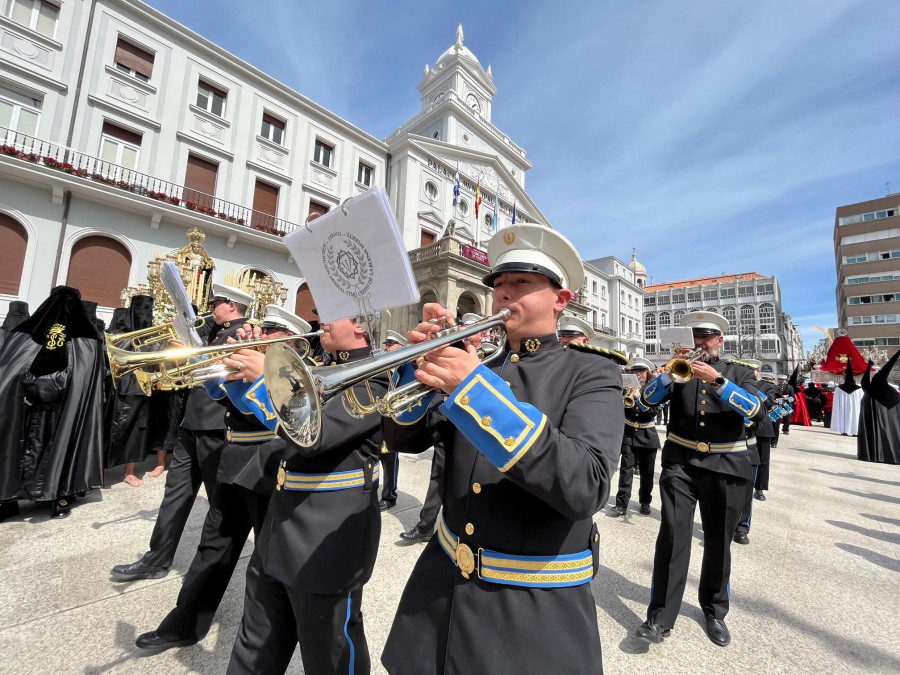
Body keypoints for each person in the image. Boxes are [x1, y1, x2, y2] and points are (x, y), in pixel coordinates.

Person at [380, 224, 624, 674]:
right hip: (442, 582)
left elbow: (586, 487)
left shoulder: (591, 374)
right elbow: (402, 440)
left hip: (529, 604)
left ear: (560, 299)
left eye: (522, 284)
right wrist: (417, 370)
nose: (504, 296)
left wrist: (474, 389)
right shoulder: (482, 366)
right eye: (498, 287)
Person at [135, 306, 311, 653]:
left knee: (267, 565)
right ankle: (184, 624)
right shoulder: (251, 360)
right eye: (266, 330)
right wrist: (210, 359)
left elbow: (255, 408)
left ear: (293, 341)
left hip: (268, 470)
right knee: (212, 548)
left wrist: (252, 370)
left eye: (275, 333)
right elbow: (217, 392)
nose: (264, 336)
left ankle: (268, 642)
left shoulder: (297, 372)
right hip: (233, 465)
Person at [227, 314, 389, 674]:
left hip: (326, 538)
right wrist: (234, 375)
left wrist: (263, 383)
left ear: (362, 325)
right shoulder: (320, 366)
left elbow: (317, 436)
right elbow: (275, 424)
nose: (323, 319)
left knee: (328, 650)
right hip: (279, 524)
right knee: (256, 640)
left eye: (335, 314)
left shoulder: (375, 378)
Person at [636, 310, 765, 648]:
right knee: (673, 534)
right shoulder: (678, 373)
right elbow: (645, 403)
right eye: (695, 340)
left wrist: (717, 381)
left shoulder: (740, 372)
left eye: (706, 340)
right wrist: (666, 376)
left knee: (719, 542)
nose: (699, 345)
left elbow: (754, 409)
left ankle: (714, 610)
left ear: (719, 341)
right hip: (681, 462)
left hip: (727, 464)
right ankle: (660, 617)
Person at [110, 283, 250, 581]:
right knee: (174, 495)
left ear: (232, 306)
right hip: (192, 424)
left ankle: (214, 572)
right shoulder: (215, 330)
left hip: (217, 427)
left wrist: (189, 350)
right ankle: (156, 559)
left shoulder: (244, 333)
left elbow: (221, 371)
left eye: (217, 304)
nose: (212, 308)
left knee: (221, 507)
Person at [0, 287, 106, 520]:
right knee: (20, 446)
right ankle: (11, 497)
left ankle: (60, 495)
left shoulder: (86, 341)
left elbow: (85, 378)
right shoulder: (26, 333)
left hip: (62, 407)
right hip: (29, 405)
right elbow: (7, 373)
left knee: (59, 446)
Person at [398, 314, 485, 545]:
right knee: (438, 473)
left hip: (477, 423)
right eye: (464, 328)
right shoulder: (453, 348)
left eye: (472, 329)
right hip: (445, 415)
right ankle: (426, 526)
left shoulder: (488, 353)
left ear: (481, 333)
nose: (467, 333)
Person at [613, 357, 660, 517]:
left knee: (647, 473)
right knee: (625, 470)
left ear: (647, 374)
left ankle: (645, 501)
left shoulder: (653, 389)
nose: (638, 374)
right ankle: (621, 504)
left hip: (648, 435)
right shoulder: (624, 388)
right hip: (629, 434)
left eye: (641, 371)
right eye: (634, 371)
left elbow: (653, 413)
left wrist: (639, 397)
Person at [733, 361, 773, 546]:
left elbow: (767, 410)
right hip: (728, 446)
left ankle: (742, 528)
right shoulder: (730, 381)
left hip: (748, 445)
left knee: (746, 493)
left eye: (751, 370)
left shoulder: (764, 387)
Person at [379, 330, 407, 512]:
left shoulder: (404, 367)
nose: (387, 348)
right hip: (376, 416)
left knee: (390, 460)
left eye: (391, 345)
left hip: (392, 417)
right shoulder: (381, 364)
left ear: (400, 347)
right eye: (387, 345)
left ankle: (389, 495)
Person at [771, 374, 794, 447]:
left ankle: (785, 429)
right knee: (776, 421)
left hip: (786, 405)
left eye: (783, 380)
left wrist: (787, 399)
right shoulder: (775, 387)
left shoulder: (790, 387)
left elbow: (792, 398)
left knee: (787, 418)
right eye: (780, 379)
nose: (781, 381)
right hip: (778, 405)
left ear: (786, 381)